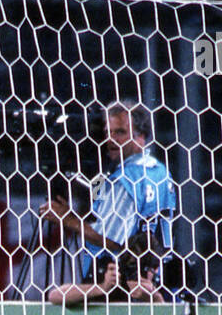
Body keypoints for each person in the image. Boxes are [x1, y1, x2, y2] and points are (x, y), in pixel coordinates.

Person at [41, 101, 177, 286]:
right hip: (157, 276)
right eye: (107, 132)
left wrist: (67, 219)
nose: (110, 139)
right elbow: (98, 207)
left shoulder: (125, 179)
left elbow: (111, 239)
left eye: (120, 132)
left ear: (141, 137)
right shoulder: (159, 170)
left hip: (121, 283)